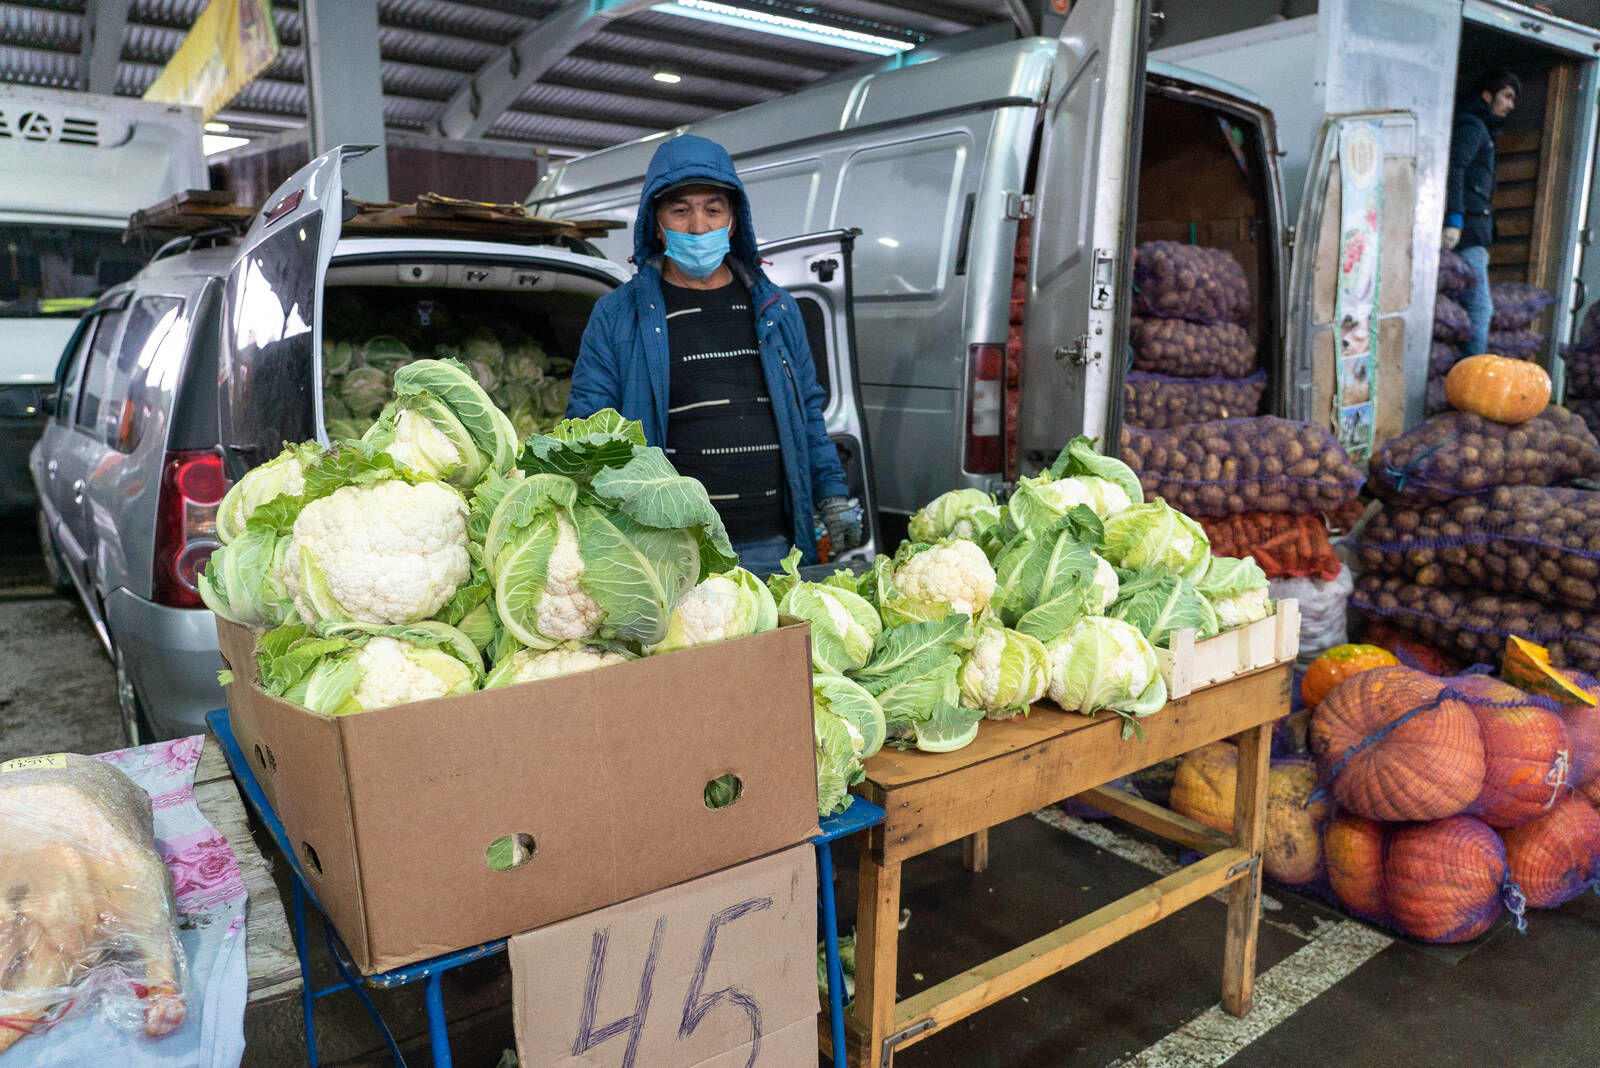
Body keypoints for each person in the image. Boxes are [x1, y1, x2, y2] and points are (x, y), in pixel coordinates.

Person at [567, 134, 860, 575]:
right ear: (657, 224)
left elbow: (809, 417)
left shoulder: (777, 309)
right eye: (680, 210)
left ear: (734, 220)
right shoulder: (616, 317)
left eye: (713, 208)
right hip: (674, 551)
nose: (699, 227)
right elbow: (586, 431)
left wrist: (832, 493)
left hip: (774, 546)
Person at [1445, 67, 1518, 357]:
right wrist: (1454, 218)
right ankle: (1472, 379)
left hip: (1474, 231)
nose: (1510, 105)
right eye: (1507, 96)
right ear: (1487, 96)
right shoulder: (1473, 127)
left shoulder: (1482, 131)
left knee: (1472, 307)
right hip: (1468, 233)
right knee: (1480, 307)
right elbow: (1456, 168)